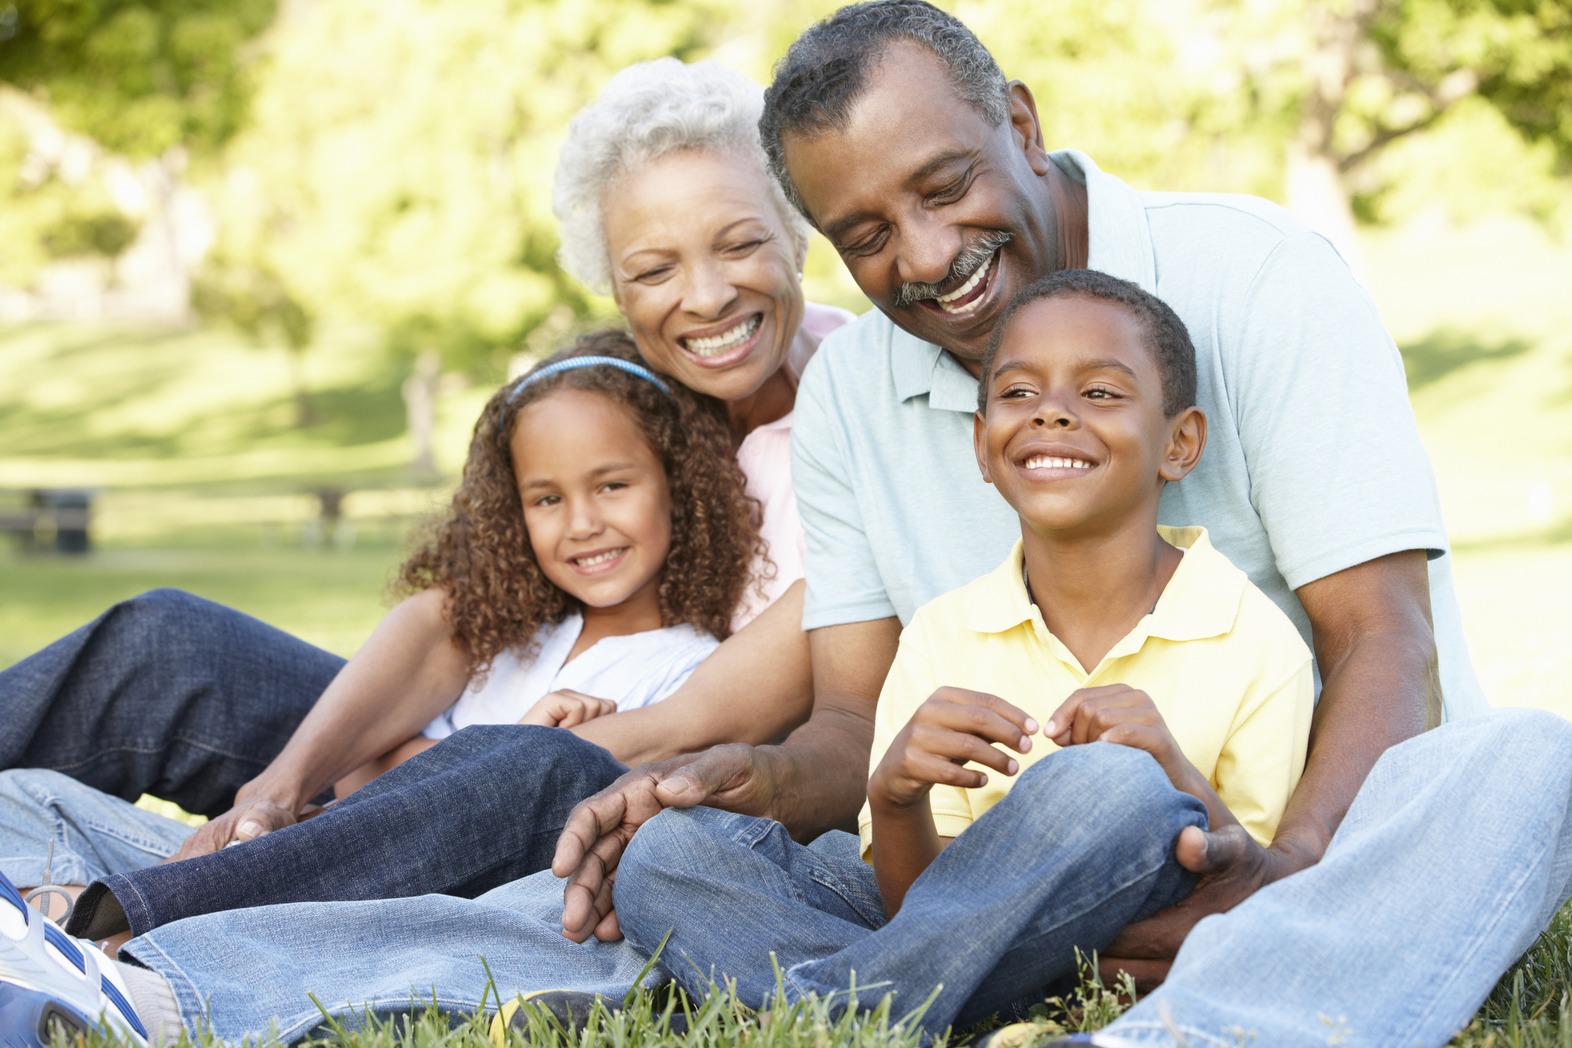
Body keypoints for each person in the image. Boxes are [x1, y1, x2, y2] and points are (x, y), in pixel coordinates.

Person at [0, 9, 1567, 1048]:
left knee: (1527, 767)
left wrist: (1281, 874)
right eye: (868, 236)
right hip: (965, 866)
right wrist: (704, 779)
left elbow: (1388, 639)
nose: (932, 259)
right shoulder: (869, 390)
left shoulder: (1260, 280)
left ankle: (1231, 999)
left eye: (950, 187)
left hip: (1273, 834)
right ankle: (146, 974)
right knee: (665, 853)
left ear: (1022, 122)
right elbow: (838, 724)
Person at [0, 57, 851, 941]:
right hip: (478, 740)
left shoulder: (863, 409)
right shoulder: (624, 393)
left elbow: (706, 718)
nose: (706, 296)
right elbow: (458, 616)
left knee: (528, 762)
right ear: (614, 284)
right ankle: (271, 827)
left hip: (621, 782)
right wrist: (285, 785)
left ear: (795, 232)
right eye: (654, 269)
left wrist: (440, 768)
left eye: (741, 242)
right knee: (168, 641)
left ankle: (118, 933)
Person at [610, 269, 1315, 1037]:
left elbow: (1260, 895)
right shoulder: (945, 632)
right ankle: (943, 1013)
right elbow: (917, 908)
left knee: (1115, 784)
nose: (1051, 413)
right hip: (956, 940)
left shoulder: (1252, 639)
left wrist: (1169, 777)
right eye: (1017, 394)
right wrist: (895, 795)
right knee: (674, 850)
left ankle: (850, 1013)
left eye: (1101, 394)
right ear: (982, 446)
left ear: (1178, 444)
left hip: (1137, 927)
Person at [0, 329, 759, 927]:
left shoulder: (684, 668)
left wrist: (443, 757)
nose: (584, 523)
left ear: (681, 488)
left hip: (374, 886)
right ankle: (69, 898)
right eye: (546, 499)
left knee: (518, 762)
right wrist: (401, 762)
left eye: (614, 485)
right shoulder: (516, 631)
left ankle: (99, 922)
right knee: (148, 651)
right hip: (311, 834)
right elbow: (372, 764)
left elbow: (484, 816)